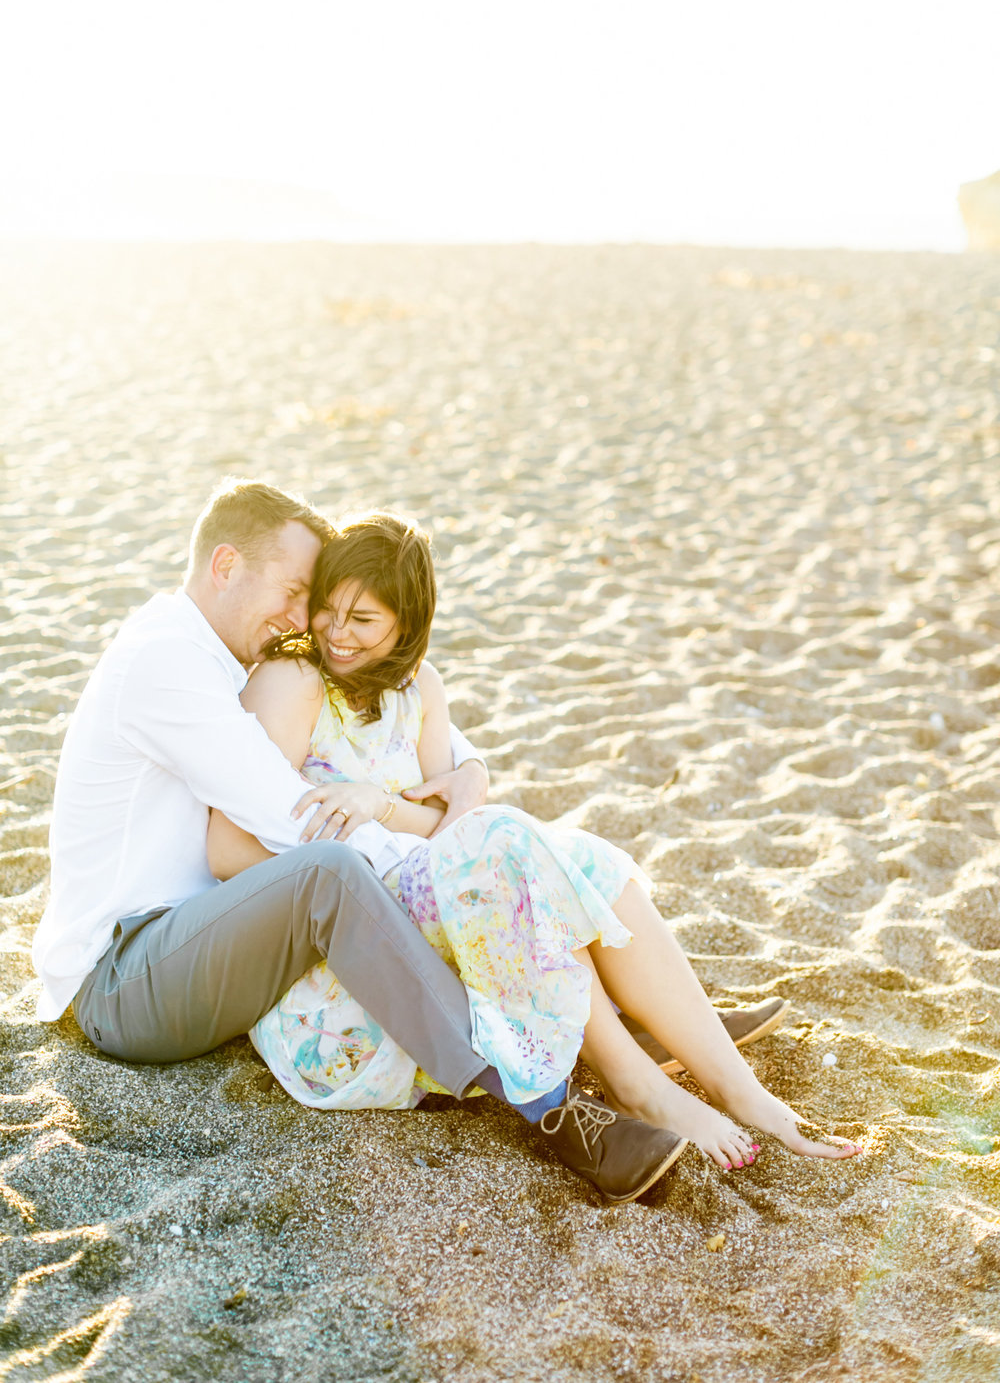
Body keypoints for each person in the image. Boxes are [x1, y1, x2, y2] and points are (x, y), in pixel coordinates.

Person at [32, 477, 693, 1205]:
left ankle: (611, 1026)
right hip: (126, 976)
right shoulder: (165, 662)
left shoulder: (222, 654)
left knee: (420, 866)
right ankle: (545, 1104)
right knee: (335, 871)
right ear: (225, 566)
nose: (302, 618)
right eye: (290, 592)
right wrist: (444, 853)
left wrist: (467, 771)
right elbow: (293, 814)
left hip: (203, 940)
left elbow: (393, 717)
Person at [208, 511, 861, 1172]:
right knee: (512, 843)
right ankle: (633, 1078)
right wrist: (384, 828)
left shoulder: (419, 689)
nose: (336, 633)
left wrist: (381, 806)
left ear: (406, 627)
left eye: (363, 620)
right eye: (329, 610)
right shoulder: (291, 685)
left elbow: (452, 834)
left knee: (586, 858)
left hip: (436, 935)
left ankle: (741, 1091)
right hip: (346, 990)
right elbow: (229, 853)